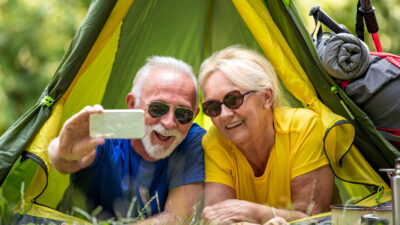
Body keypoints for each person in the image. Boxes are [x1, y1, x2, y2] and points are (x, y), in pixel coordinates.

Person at [48, 56, 205, 223]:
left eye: (183, 114)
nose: (169, 123)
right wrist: (62, 152)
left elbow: (177, 217)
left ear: (194, 116)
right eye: (158, 108)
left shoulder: (193, 140)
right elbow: (68, 161)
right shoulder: (108, 132)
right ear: (132, 103)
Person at [198, 46, 334, 224]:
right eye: (213, 107)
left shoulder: (303, 127)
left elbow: (313, 217)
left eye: (233, 99)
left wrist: (253, 212)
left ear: (267, 97)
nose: (224, 115)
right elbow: (218, 218)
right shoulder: (215, 141)